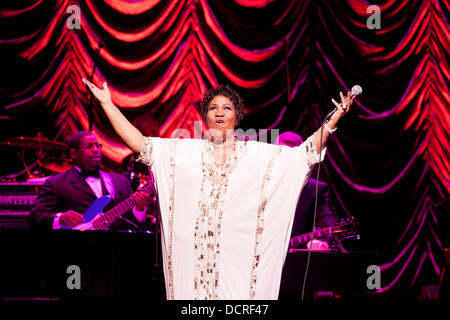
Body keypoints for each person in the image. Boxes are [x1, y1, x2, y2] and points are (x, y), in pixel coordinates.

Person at [82, 78, 355, 300]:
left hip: (237, 271)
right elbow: (139, 144)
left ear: (237, 116)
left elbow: (304, 154)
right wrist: (108, 104)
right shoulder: (183, 151)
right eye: (213, 108)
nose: (219, 112)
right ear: (206, 117)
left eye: (226, 108)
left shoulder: (259, 155)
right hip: (192, 275)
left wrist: (333, 121)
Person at [28, 131, 152, 231]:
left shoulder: (120, 182)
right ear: (73, 153)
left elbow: (132, 224)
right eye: (89, 146)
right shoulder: (56, 183)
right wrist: (60, 218)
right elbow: (35, 218)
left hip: (114, 252)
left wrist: (139, 209)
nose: (96, 150)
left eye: (97, 146)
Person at [276, 132, 337, 250]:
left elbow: (327, 224)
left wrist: (319, 241)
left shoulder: (315, 189)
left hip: (293, 260)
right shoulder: (259, 182)